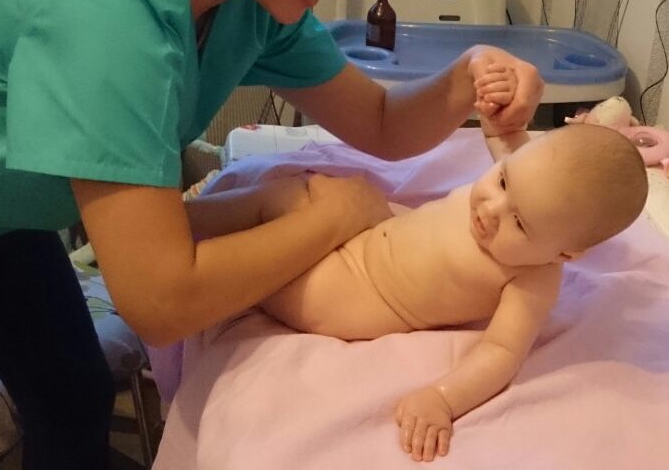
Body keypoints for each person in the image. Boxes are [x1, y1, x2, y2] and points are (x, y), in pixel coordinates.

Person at [0, 0, 542, 469]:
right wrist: (331, 217)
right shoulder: (112, 7)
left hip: (15, 217)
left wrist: (466, 77)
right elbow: (161, 303)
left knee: (72, 394)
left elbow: (379, 122)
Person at [190, 66, 648, 463]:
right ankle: (183, 221)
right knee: (286, 195)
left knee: (258, 252)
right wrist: (495, 100)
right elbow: (501, 135)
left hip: (347, 295)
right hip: (365, 240)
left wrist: (441, 399)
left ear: (565, 254)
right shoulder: (528, 179)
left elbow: (500, 353)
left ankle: (188, 255)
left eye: (520, 224)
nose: (492, 209)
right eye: (502, 182)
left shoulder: (533, 280)